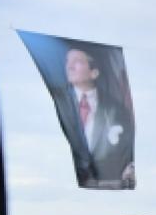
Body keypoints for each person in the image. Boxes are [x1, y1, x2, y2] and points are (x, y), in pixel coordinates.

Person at [55, 46, 135, 188]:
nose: (69, 66)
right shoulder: (58, 101)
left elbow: (122, 148)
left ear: (93, 72)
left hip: (105, 179)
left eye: (77, 61)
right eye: (68, 61)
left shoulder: (115, 109)